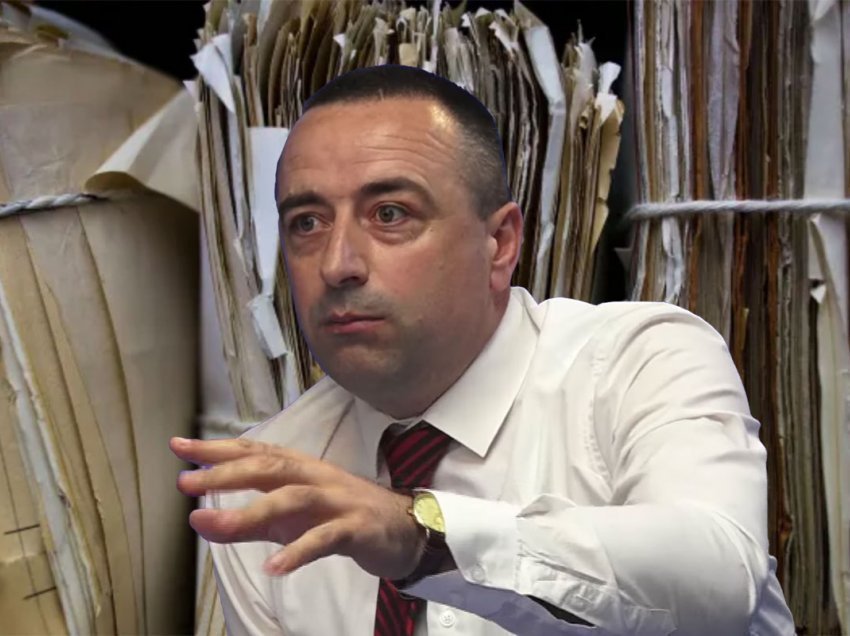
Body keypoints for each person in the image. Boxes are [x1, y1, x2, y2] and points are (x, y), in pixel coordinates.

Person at [171, 65, 795, 635]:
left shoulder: (637, 360)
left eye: (389, 214)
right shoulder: (265, 487)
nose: (338, 264)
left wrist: (422, 534)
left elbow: (720, 581)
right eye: (307, 222)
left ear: (499, 244)